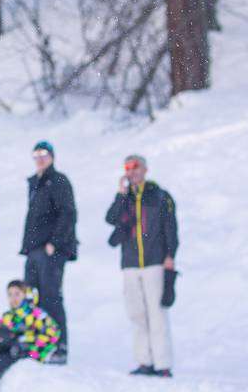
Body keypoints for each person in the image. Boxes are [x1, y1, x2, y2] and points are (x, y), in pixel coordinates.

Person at [105, 154, 178, 378]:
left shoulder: (159, 195)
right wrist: (121, 194)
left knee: (157, 313)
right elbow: (110, 218)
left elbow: (170, 227)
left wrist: (170, 255)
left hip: (155, 261)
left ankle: (162, 363)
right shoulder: (125, 198)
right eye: (128, 167)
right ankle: (144, 361)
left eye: (136, 167)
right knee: (136, 314)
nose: (132, 171)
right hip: (130, 263)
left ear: (145, 169)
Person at [19, 140, 77, 361]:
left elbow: (68, 213)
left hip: (51, 250)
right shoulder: (35, 182)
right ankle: (37, 342)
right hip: (33, 248)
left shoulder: (58, 181)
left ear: (52, 156)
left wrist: (55, 242)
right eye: (36, 154)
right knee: (31, 297)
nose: (40, 158)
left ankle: (59, 345)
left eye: (44, 154)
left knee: (51, 297)